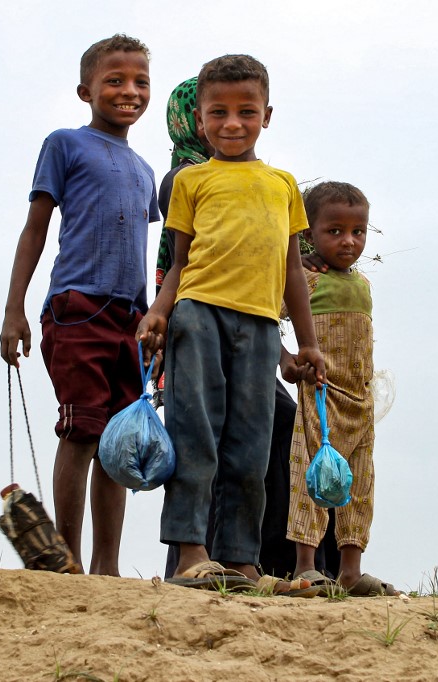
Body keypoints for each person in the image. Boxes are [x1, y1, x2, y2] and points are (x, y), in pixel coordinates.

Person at [138, 54, 326, 591]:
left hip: (262, 327)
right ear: (200, 120)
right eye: (217, 113)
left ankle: (242, 560)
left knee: (251, 444)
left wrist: (306, 345)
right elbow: (179, 261)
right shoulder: (190, 182)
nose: (232, 123)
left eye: (246, 111)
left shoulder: (283, 185)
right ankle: (189, 555)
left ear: (267, 115)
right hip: (197, 317)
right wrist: (158, 312)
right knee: (194, 435)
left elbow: (291, 268)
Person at [0, 34, 159, 576]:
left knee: (119, 441)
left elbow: (155, 252)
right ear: (85, 90)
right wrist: (13, 309)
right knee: (83, 428)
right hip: (76, 308)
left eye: (140, 82)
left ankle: (106, 566)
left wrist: (155, 317)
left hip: (131, 318)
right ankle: (63, 560)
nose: (128, 91)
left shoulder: (144, 172)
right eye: (114, 80)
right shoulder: (65, 144)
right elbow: (35, 230)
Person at [286, 181, 399, 596]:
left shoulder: (363, 284)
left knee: (360, 483)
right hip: (321, 397)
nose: (349, 241)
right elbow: (266, 316)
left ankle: (350, 571)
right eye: (334, 231)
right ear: (308, 233)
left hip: (360, 402)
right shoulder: (305, 280)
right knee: (309, 477)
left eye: (358, 231)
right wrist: (288, 359)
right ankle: (306, 567)